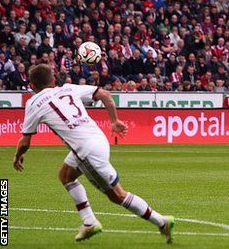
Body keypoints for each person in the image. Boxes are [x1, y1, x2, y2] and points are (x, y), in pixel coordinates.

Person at [13, 64, 175, 243]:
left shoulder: (33, 103)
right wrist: (114, 121)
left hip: (87, 152)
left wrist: (17, 155)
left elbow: (25, 140)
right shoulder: (68, 88)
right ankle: (89, 222)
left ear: (32, 86)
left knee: (117, 195)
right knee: (65, 175)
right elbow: (105, 94)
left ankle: (161, 222)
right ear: (53, 80)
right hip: (98, 139)